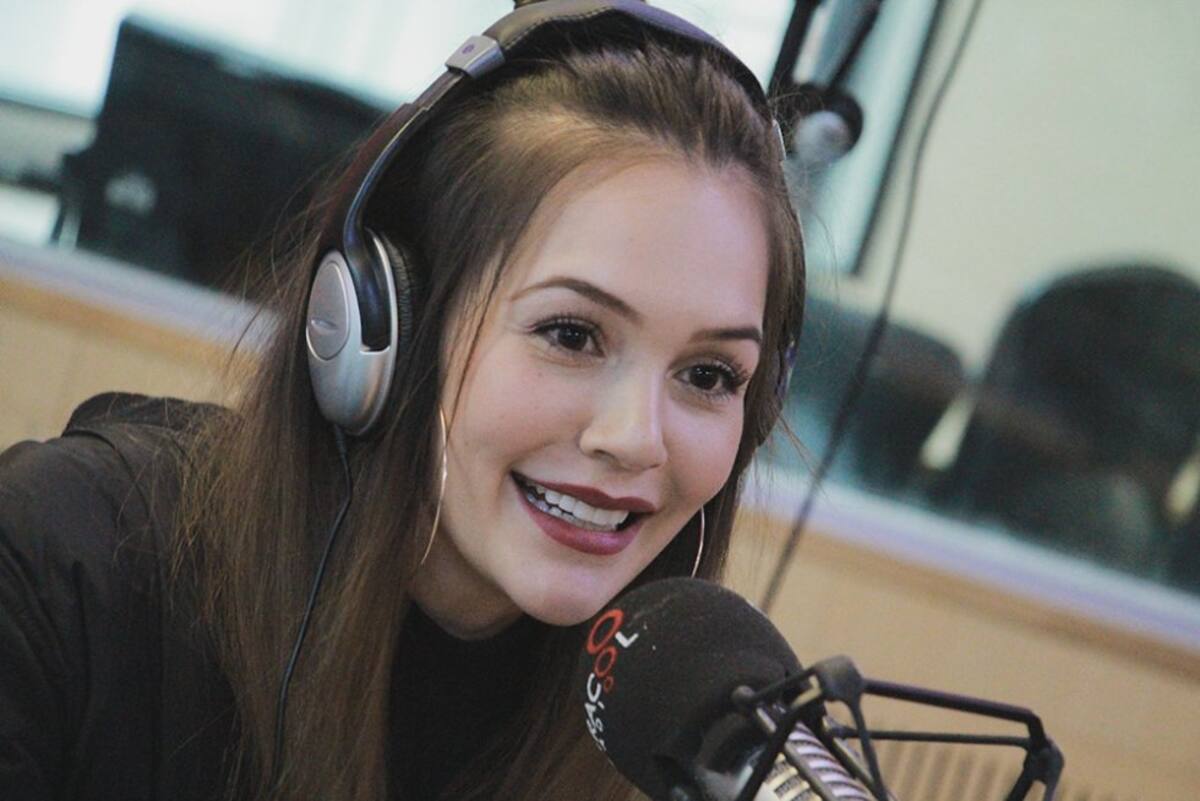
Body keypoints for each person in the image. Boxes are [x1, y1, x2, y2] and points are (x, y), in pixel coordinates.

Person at [0, 1, 804, 799]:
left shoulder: (670, 744)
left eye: (709, 376)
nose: (636, 438)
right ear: (389, 329)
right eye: (570, 334)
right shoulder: (60, 567)